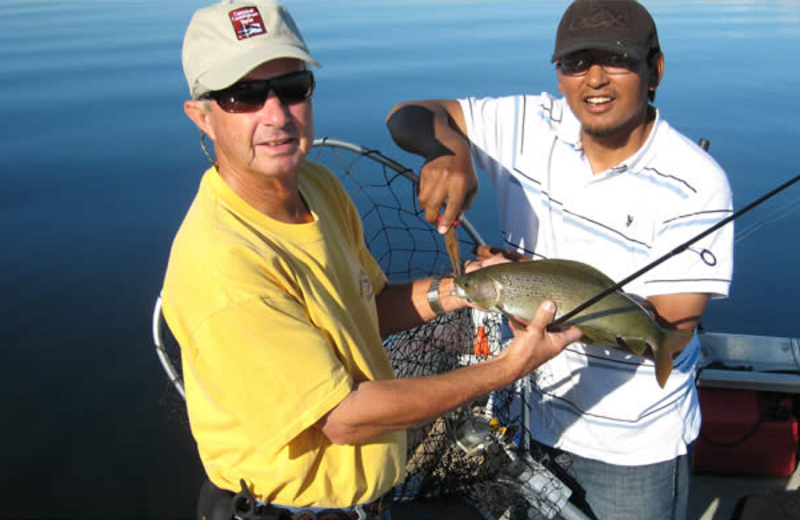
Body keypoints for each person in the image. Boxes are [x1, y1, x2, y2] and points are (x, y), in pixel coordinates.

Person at [162, 1, 582, 519]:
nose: (276, 114)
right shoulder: (224, 264)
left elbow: (368, 307)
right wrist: (504, 369)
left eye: (291, 87)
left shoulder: (317, 186)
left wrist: (465, 287)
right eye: (242, 96)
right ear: (201, 116)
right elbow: (344, 418)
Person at [385, 1, 734, 519]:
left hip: (630, 449)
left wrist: (538, 305)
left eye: (616, 60)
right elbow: (409, 114)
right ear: (559, 73)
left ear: (654, 69)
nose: (594, 79)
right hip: (530, 418)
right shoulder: (526, 124)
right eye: (575, 63)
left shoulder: (695, 185)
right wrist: (449, 152)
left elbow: (671, 327)